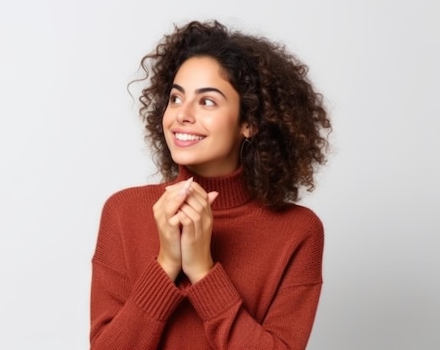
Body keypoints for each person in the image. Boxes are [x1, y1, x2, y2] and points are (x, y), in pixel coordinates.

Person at [90, 20, 331, 350]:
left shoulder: (297, 231)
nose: (182, 115)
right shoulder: (123, 212)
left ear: (250, 123)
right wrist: (166, 264)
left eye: (207, 102)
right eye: (176, 98)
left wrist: (202, 271)